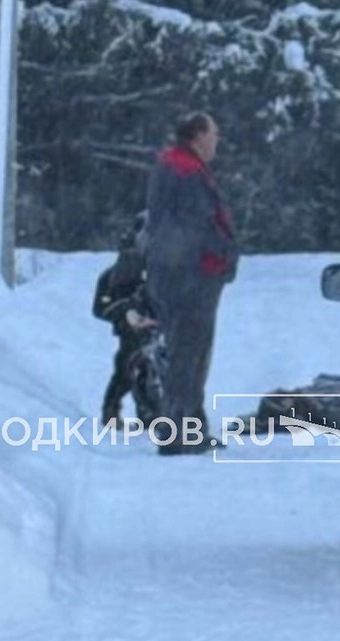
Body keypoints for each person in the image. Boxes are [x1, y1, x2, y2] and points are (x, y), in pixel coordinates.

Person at [144, 111, 238, 454]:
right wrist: (224, 252)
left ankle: (188, 427)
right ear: (198, 135)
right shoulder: (185, 171)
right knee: (189, 354)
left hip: (177, 273)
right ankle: (178, 432)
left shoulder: (176, 167)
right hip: (190, 275)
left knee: (188, 352)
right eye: (214, 134)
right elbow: (199, 223)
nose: (217, 142)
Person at [93, 213, 158, 426]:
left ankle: (148, 411)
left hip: (150, 328)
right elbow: (101, 308)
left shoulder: (160, 272)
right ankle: (118, 411)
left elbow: (100, 308)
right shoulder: (113, 276)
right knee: (129, 370)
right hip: (134, 331)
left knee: (144, 369)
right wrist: (126, 313)